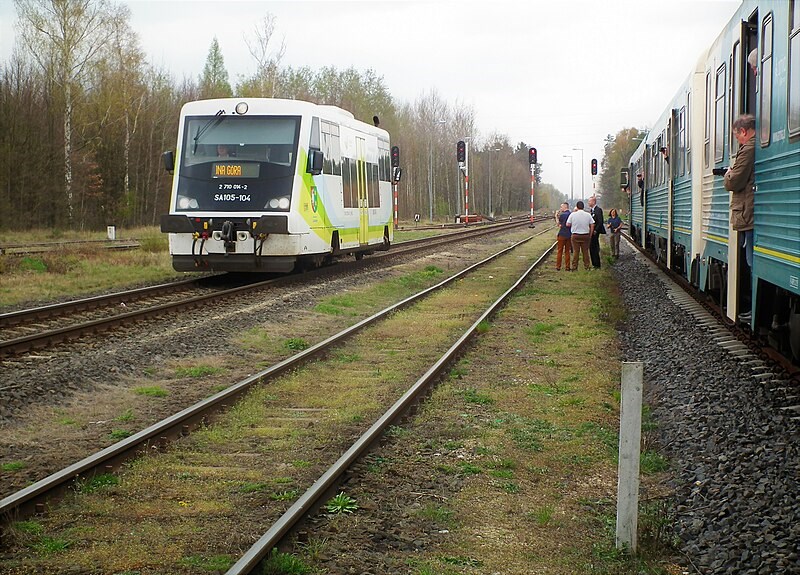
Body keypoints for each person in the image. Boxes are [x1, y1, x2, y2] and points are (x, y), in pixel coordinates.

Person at [723, 114, 756, 322]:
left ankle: (753, 308)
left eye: (738, 137)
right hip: (750, 211)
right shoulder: (753, 146)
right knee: (750, 258)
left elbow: (733, 182)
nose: (739, 141)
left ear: (743, 132)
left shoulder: (749, 148)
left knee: (752, 260)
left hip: (748, 212)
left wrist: (728, 173)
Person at [566, 200, 594, 271]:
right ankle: (587, 267)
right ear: (583, 207)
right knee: (585, 251)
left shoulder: (572, 214)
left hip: (575, 235)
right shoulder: (588, 215)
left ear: (577, 207)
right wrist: (590, 234)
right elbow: (592, 224)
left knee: (576, 251)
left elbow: (568, 224)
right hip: (585, 235)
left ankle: (574, 267)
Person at [587, 195, 605, 268]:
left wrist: (596, 230)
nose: (588, 203)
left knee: (594, 247)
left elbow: (600, 221)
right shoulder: (591, 210)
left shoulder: (598, 210)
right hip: (592, 231)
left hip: (595, 232)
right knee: (591, 247)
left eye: (589, 201)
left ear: (593, 202)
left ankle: (597, 264)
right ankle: (594, 263)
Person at [555, 202, 571, 271]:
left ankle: (558, 266)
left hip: (562, 234)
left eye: (561, 207)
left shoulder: (562, 215)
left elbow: (559, 224)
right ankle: (567, 267)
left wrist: (556, 216)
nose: (560, 208)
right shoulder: (571, 214)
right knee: (567, 251)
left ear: (565, 207)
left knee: (560, 251)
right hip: (569, 235)